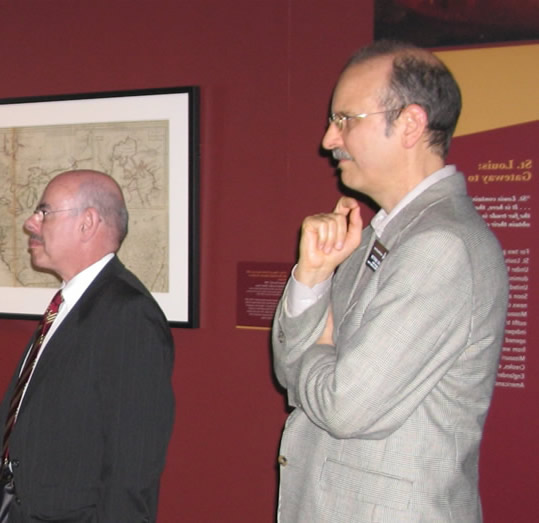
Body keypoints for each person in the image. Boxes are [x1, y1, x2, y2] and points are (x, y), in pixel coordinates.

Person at [272, 40, 508, 522]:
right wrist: (312, 278)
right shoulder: (380, 235)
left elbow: (344, 407)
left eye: (345, 120)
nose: (327, 140)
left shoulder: (441, 247)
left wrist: (319, 347)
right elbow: (291, 378)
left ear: (410, 124)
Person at [0, 170, 175, 522]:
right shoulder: (71, 304)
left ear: (87, 222)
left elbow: (132, 468)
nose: (31, 223)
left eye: (44, 212)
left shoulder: (128, 315)